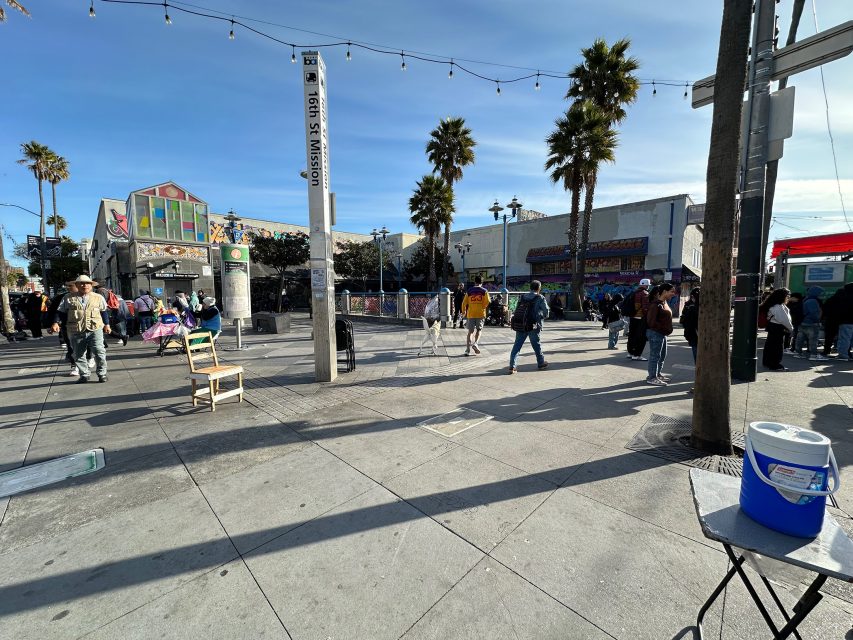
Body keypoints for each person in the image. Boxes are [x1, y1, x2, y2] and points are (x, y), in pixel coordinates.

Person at [52, 275, 111, 383]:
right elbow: (60, 312)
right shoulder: (68, 297)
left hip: (95, 328)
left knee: (99, 352)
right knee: (78, 354)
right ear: (77, 285)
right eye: (82, 283)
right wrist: (55, 323)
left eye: (87, 283)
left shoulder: (98, 297)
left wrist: (107, 324)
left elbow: (104, 312)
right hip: (76, 330)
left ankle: (102, 374)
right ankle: (84, 374)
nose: (85, 285)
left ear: (91, 285)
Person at [508, 280, 550, 373]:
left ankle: (512, 366)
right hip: (533, 325)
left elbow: (517, 309)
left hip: (521, 324)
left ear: (530, 288)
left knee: (517, 345)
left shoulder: (523, 297)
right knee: (536, 345)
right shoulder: (540, 297)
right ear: (539, 288)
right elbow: (546, 313)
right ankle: (541, 363)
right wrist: (540, 317)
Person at [645, 283, 676, 386]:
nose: (673, 293)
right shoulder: (656, 304)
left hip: (662, 334)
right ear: (664, 292)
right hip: (656, 334)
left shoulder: (664, 302)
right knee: (655, 356)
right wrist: (663, 328)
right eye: (671, 291)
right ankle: (652, 377)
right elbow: (651, 322)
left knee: (662, 356)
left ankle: (657, 374)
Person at [760, 288, 793, 371]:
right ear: (782, 296)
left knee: (770, 346)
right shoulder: (778, 307)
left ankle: (768, 362)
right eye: (787, 296)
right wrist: (791, 328)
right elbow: (784, 320)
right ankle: (775, 364)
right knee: (777, 347)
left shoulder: (773, 305)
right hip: (778, 327)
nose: (788, 298)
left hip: (773, 327)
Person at [794, 286, 827, 361]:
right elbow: (814, 313)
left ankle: (798, 353)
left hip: (803, 322)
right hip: (811, 323)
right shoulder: (813, 301)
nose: (821, 294)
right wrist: (818, 321)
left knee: (800, 338)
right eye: (820, 293)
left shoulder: (806, 299)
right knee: (813, 340)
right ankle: (813, 355)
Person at [461, 275, 490, 356]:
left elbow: (464, 303)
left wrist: (464, 312)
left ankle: (467, 350)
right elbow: (487, 301)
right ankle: (476, 343)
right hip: (480, 313)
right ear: (482, 282)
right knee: (479, 330)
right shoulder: (484, 291)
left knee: (470, 332)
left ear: (475, 282)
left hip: (471, 313)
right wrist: (483, 307)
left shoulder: (469, 291)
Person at [626, 278, 651, 361]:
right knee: (641, 337)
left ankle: (630, 353)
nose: (648, 287)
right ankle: (637, 355)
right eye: (648, 285)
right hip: (640, 318)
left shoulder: (634, 292)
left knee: (632, 335)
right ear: (645, 285)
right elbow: (645, 308)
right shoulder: (645, 293)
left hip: (632, 316)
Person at [680, 287, 700, 363]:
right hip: (694, 335)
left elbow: (686, 323)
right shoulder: (689, 305)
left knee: (697, 357)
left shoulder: (693, 308)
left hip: (694, 336)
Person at [821, 288, 843, 357]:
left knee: (829, 337)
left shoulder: (831, 299)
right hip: (841, 321)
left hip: (830, 320)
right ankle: (841, 351)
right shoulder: (844, 300)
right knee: (842, 337)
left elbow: (824, 310)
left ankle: (826, 350)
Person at [835, 282, 853, 362]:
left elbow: (840, 310)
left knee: (844, 338)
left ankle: (843, 355)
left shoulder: (844, 298)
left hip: (846, 321)